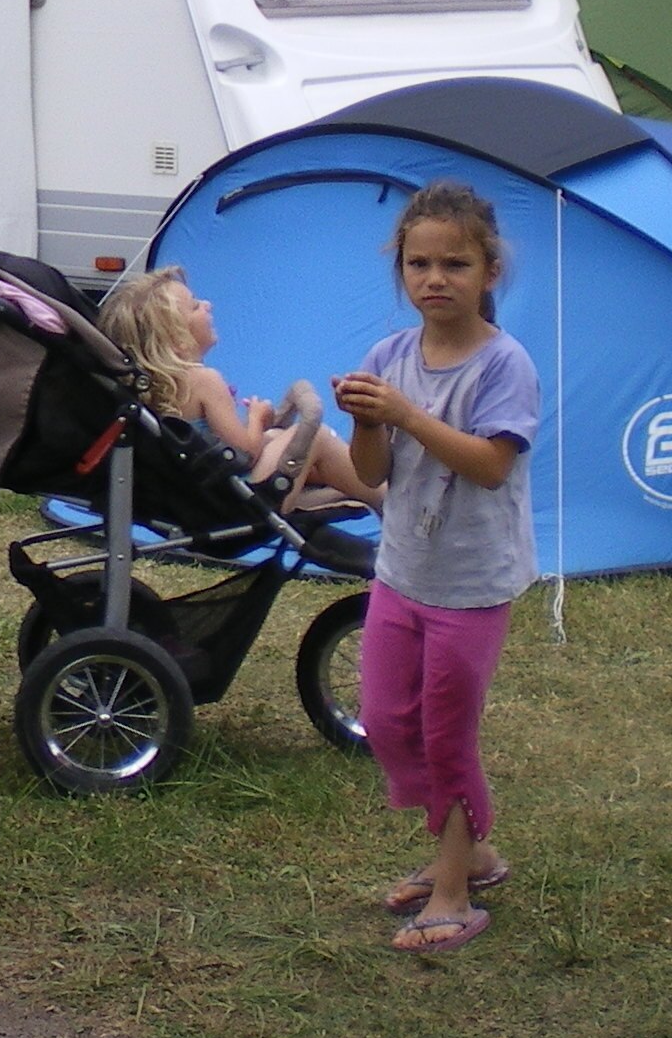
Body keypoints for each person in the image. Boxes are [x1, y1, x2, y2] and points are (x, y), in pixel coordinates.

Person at [332, 182, 541, 955]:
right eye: (419, 264)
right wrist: (364, 422)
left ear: (489, 271)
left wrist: (409, 415)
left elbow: (490, 464)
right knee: (387, 722)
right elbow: (372, 470)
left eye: (455, 263)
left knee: (448, 736)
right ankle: (474, 850)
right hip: (403, 571)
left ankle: (454, 889)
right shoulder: (390, 357)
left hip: (472, 584)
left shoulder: (503, 365)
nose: (435, 279)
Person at [96, 265, 383, 511]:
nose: (208, 304)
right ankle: (387, 497)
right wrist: (257, 418)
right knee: (311, 435)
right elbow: (245, 452)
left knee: (275, 437)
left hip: (190, 497)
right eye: (195, 306)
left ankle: (341, 484)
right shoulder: (204, 381)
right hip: (235, 503)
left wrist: (264, 432)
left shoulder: (151, 386)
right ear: (177, 340)